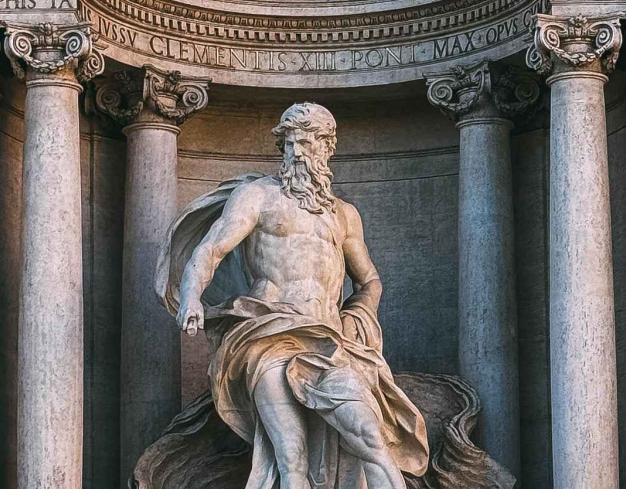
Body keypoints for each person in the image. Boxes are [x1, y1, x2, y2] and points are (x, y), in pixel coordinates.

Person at [159, 102, 428, 489]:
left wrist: (357, 316)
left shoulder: (344, 215)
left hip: (329, 341)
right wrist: (190, 298)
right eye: (290, 144)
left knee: (371, 438)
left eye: (307, 143)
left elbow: (369, 281)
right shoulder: (258, 197)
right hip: (268, 336)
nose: (298, 152)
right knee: (292, 459)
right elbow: (210, 250)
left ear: (327, 147)